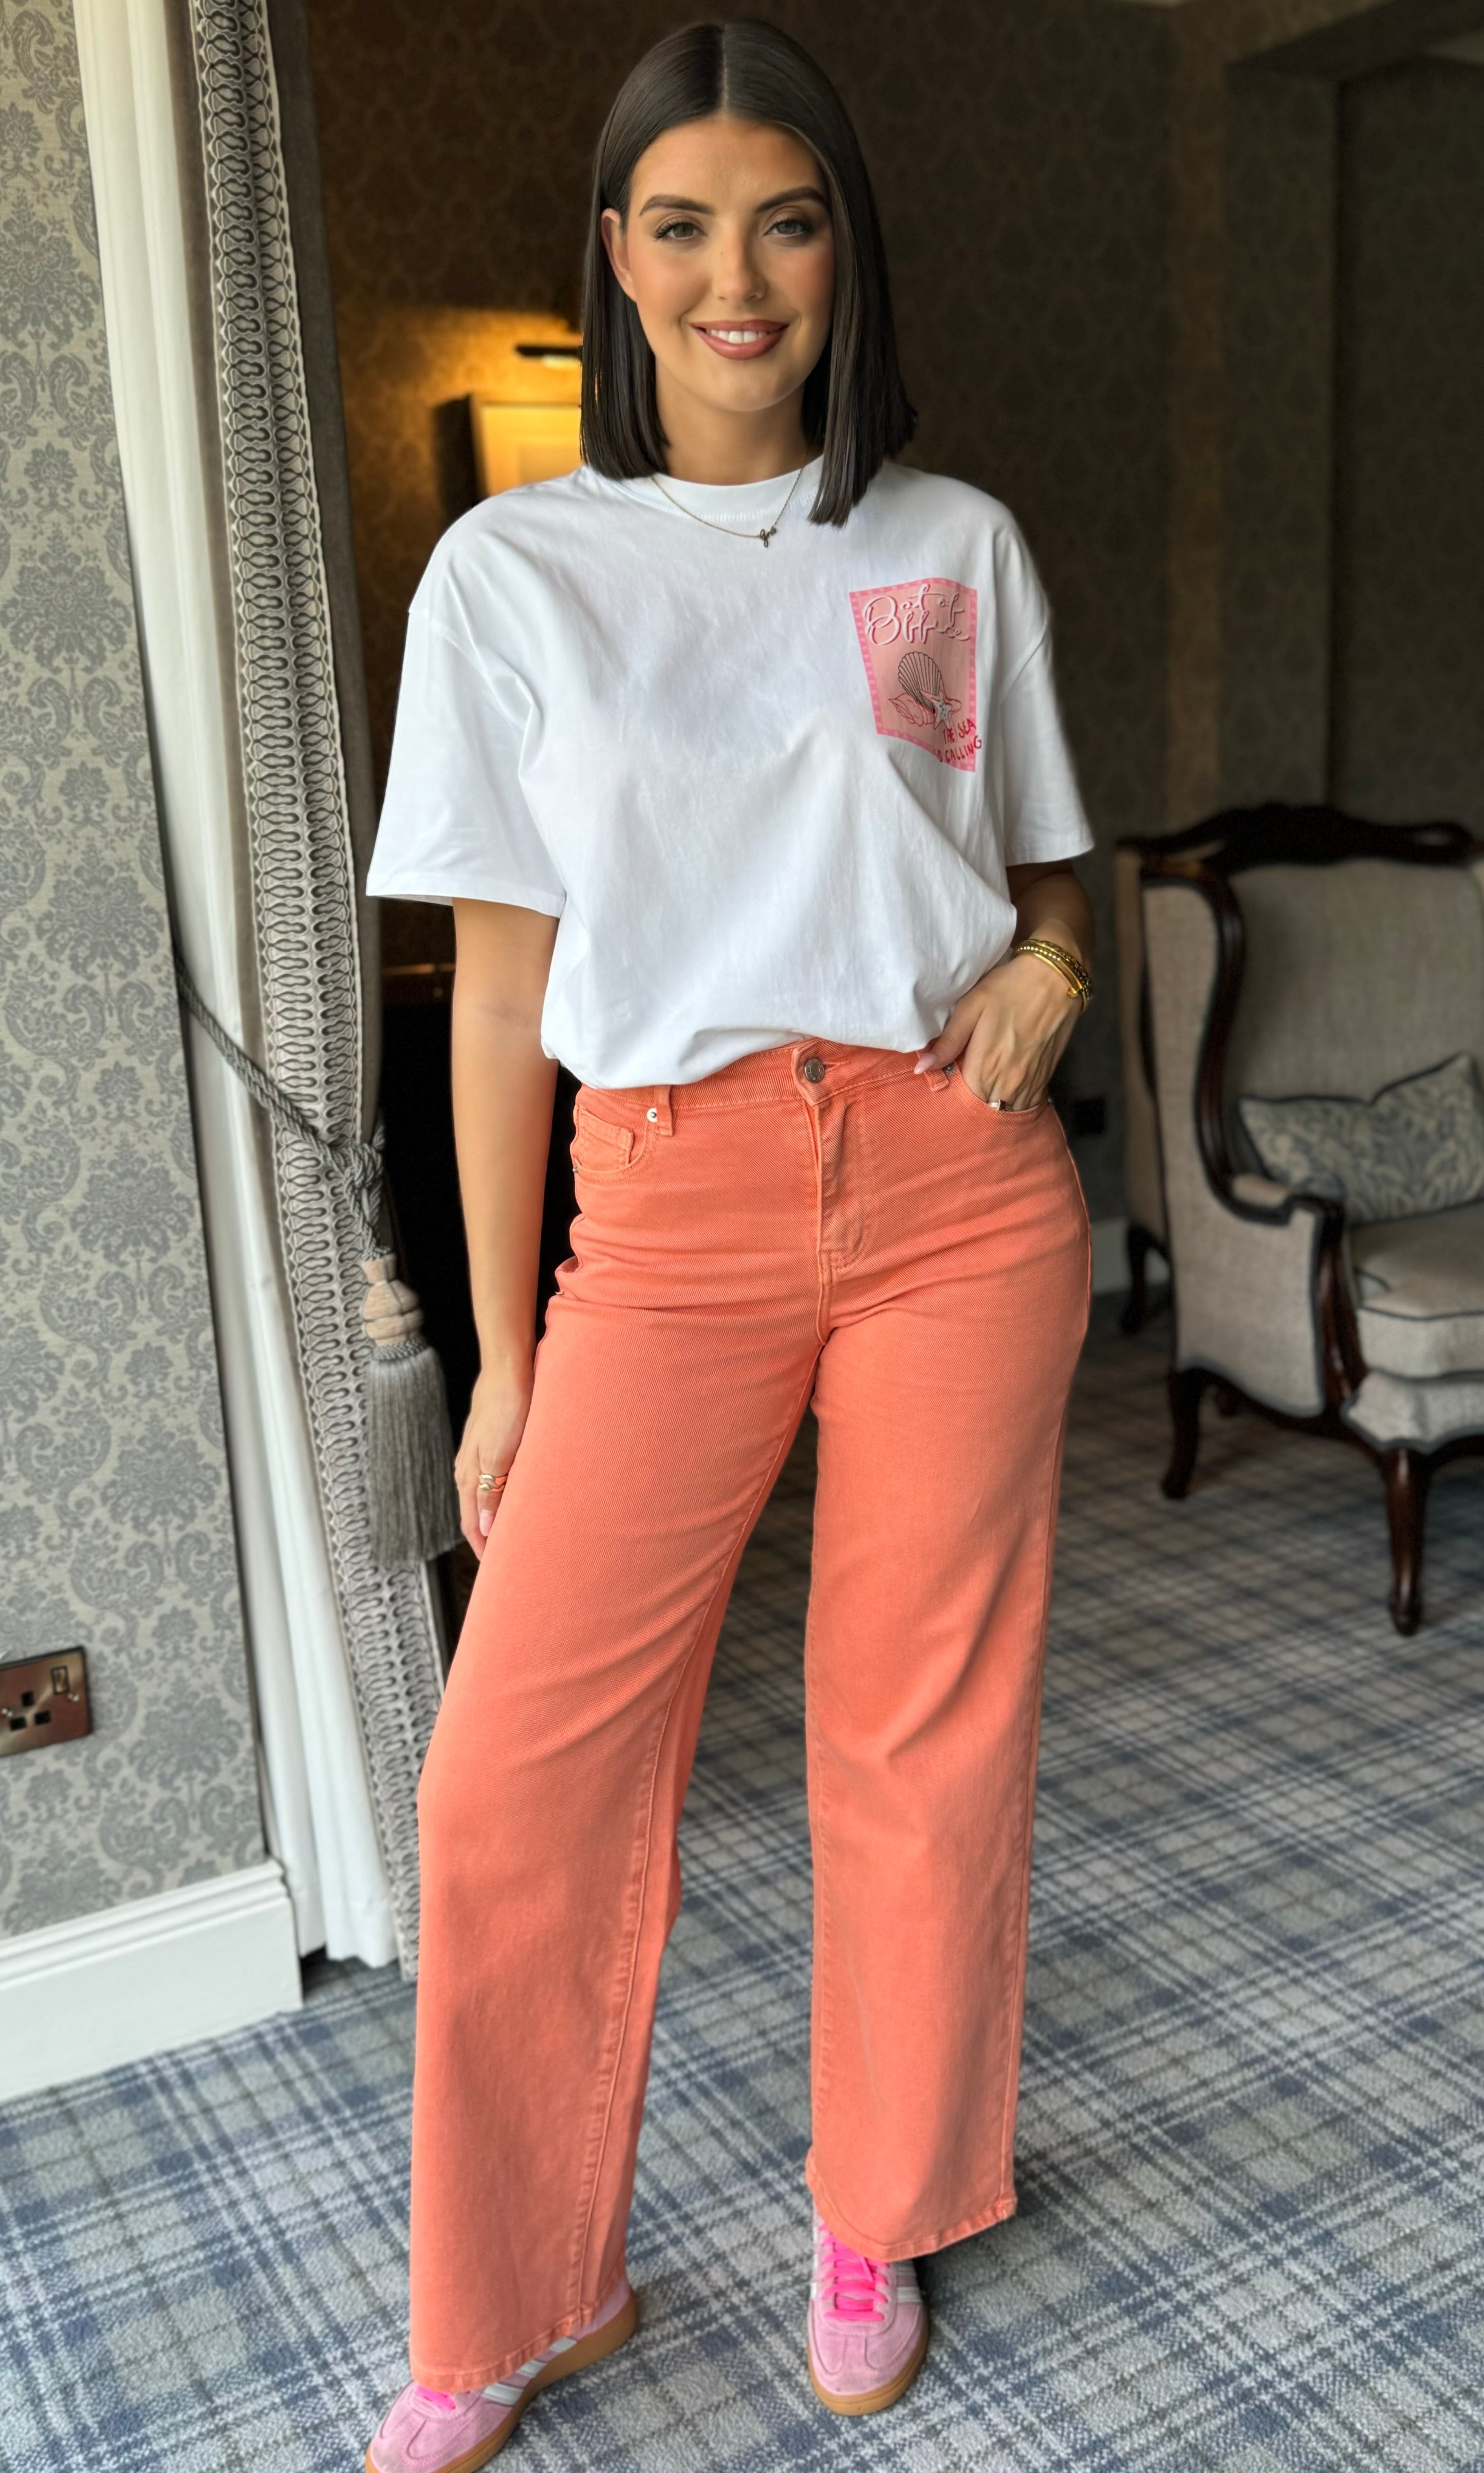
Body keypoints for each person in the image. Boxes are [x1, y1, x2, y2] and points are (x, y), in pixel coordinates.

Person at [362, 20, 1094, 2467]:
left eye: (780, 219)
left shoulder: (949, 543)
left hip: (950, 1191)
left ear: (840, 250)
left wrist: (1057, 970)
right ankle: (509, 2295)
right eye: (677, 226)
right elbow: (496, 998)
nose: (733, 276)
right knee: (511, 1777)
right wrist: (501, 1359)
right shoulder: (512, 573)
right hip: (662, 1201)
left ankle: (875, 2203)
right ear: (615, 257)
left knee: (913, 1729)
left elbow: (1043, 877)